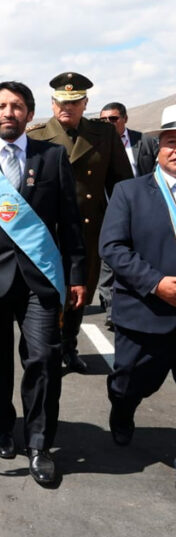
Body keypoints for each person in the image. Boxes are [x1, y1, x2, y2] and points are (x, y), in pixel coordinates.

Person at [0, 81, 86, 487]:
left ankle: (40, 443)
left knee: (43, 360)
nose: (9, 112)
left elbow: (70, 223)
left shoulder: (52, 157)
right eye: (2, 106)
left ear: (29, 114)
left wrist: (77, 274)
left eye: (18, 106)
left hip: (40, 279)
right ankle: (1, 426)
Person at [27, 72, 133, 374]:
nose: (67, 107)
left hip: (87, 230)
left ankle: (69, 347)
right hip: (45, 233)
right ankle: (46, 349)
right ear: (52, 103)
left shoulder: (104, 135)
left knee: (78, 293)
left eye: (74, 102)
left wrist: (125, 227)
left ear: (85, 103)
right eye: (61, 101)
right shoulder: (35, 138)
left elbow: (121, 185)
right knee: (47, 295)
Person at [99, 104, 176, 447]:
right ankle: (122, 409)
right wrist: (156, 284)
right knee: (130, 383)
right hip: (145, 311)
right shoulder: (128, 192)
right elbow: (112, 247)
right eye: (172, 142)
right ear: (158, 147)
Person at [98, 102, 159, 330]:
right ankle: (112, 310)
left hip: (144, 208)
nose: (108, 124)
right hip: (110, 208)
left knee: (141, 257)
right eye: (103, 120)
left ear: (124, 119)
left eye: (112, 119)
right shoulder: (99, 144)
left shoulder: (145, 141)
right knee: (110, 258)